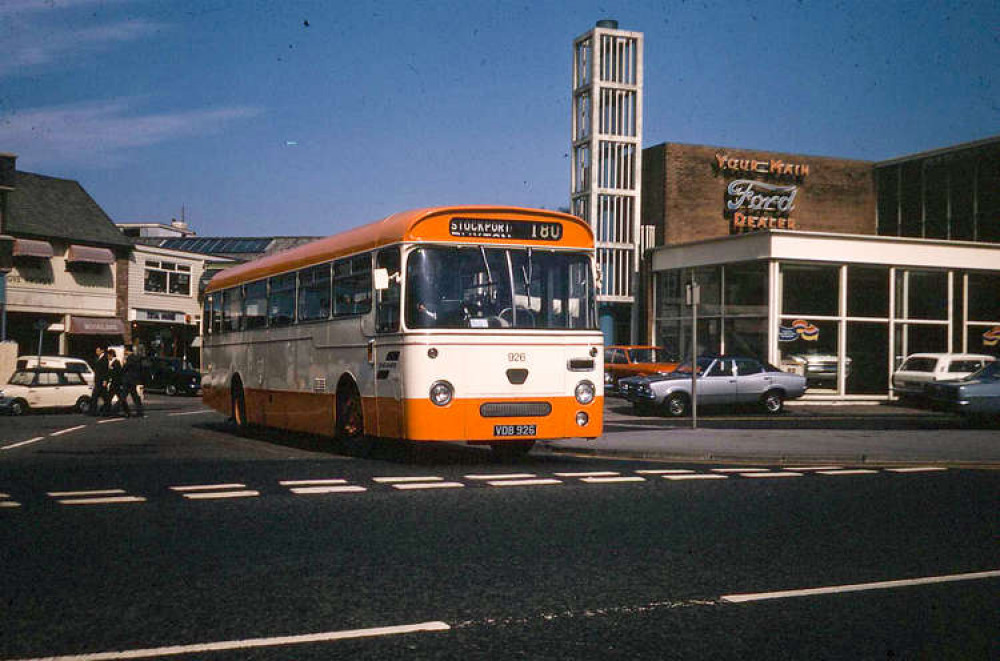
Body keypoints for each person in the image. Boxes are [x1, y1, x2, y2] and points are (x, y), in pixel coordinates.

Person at [120, 347, 144, 418]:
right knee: (135, 397)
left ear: (127, 351)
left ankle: (127, 412)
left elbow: (125, 368)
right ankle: (139, 412)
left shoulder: (129, 358)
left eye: (125, 351)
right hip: (134, 380)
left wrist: (123, 364)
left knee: (123, 397)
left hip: (127, 380)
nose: (124, 352)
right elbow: (140, 369)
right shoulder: (137, 358)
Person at [89, 345, 110, 416]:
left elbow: (105, 370)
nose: (96, 352)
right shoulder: (98, 358)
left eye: (98, 350)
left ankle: (94, 411)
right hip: (98, 380)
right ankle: (96, 411)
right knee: (102, 397)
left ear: (102, 351)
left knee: (96, 396)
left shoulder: (104, 359)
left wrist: (105, 380)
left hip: (101, 381)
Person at [106, 349, 124, 416]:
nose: (107, 357)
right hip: (113, 383)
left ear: (111, 355)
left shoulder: (116, 362)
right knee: (109, 398)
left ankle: (126, 411)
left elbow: (118, 373)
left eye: (108, 355)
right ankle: (108, 412)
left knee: (120, 398)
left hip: (116, 383)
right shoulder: (112, 362)